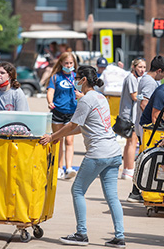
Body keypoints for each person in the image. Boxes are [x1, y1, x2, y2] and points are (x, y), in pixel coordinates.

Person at [40, 66, 125, 248]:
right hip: (114, 153)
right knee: (112, 197)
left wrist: (52, 137)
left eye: (77, 78)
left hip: (98, 154)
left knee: (77, 191)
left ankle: (81, 234)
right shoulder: (101, 97)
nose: (75, 81)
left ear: (84, 80)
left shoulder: (86, 100)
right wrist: (58, 137)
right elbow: (83, 127)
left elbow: (72, 125)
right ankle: (119, 237)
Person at [127, 55, 164, 203]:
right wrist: (155, 123)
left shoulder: (146, 79)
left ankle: (136, 189)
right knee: (144, 157)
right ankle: (135, 189)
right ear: (159, 71)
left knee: (142, 156)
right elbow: (144, 104)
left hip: (142, 125)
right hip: (146, 127)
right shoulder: (150, 83)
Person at [47, 52, 82, 180]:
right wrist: (50, 101)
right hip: (58, 111)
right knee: (58, 139)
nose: (68, 65)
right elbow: (50, 91)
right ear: (61, 63)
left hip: (72, 112)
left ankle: (69, 167)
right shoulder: (56, 77)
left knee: (69, 140)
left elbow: (81, 92)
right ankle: (59, 168)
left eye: (71, 63)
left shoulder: (76, 77)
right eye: (66, 63)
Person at [118, 58, 146, 180]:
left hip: (130, 114)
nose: (142, 70)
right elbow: (134, 96)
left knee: (130, 142)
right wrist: (145, 96)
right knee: (132, 142)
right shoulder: (131, 78)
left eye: (144, 67)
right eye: (140, 67)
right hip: (130, 115)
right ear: (134, 67)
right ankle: (129, 169)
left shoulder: (134, 78)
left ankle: (126, 169)